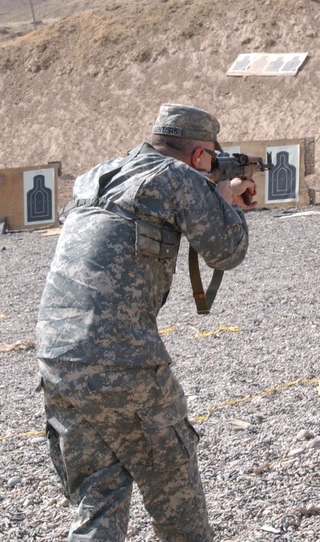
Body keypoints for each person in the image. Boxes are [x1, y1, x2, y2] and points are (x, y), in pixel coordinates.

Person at [36, 103, 257, 541]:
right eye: (210, 158)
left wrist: (214, 193)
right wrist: (224, 199)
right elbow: (227, 251)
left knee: (98, 503)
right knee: (178, 507)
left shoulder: (96, 176)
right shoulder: (180, 178)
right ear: (198, 157)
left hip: (57, 358)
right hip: (123, 359)